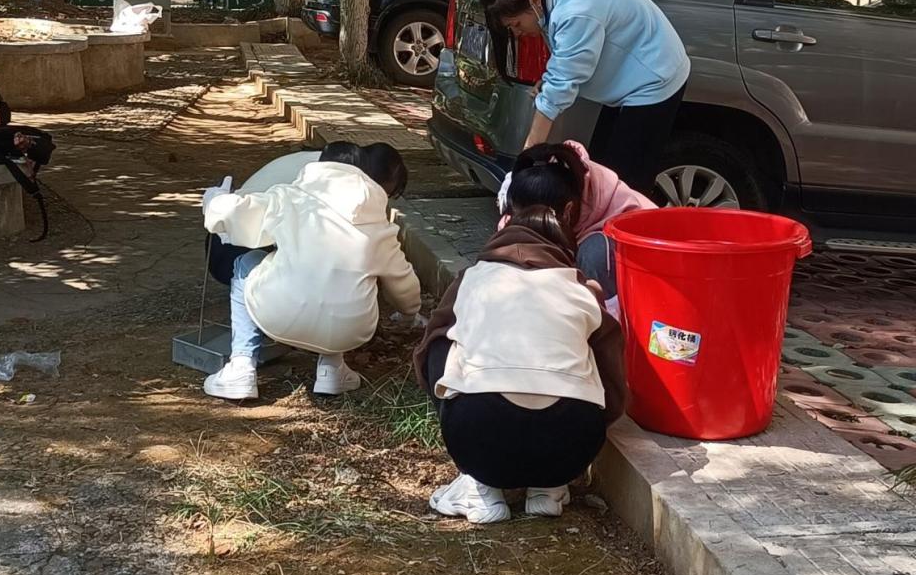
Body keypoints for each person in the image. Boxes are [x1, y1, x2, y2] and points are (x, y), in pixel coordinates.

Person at [413, 199, 627, 524]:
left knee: (440, 341)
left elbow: (428, 350)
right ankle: (549, 488)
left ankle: (482, 491)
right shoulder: (580, 289)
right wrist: (600, 420)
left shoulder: (472, 278)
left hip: (477, 440)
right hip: (572, 448)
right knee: (592, 348)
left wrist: (444, 398)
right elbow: (612, 370)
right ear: (563, 247)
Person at [201, 142, 421, 401]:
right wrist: (410, 314)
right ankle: (331, 369)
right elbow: (403, 280)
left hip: (278, 315)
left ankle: (241, 367)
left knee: (249, 262)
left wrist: (214, 199)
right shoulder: (377, 222)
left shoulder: (289, 196)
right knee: (344, 268)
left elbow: (231, 213)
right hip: (350, 332)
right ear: (363, 175)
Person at [481, 0, 690, 194]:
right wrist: (550, 80)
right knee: (602, 170)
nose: (517, 33)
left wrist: (525, 161)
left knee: (626, 183)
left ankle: (630, 225)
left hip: (655, 75)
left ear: (534, 1)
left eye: (516, 24)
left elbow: (556, 95)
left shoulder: (575, 12)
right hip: (629, 75)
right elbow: (565, 59)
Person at [498, 141, 654, 301]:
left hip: (641, 282)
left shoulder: (624, 213)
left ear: (566, 212)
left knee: (594, 253)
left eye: (535, 226)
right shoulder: (532, 192)